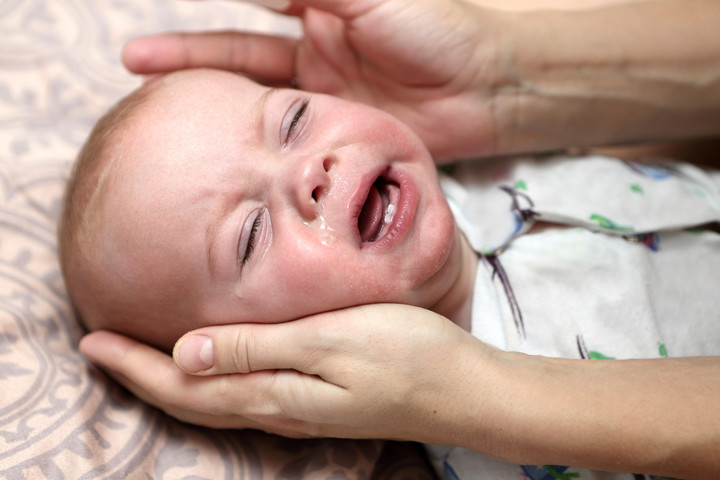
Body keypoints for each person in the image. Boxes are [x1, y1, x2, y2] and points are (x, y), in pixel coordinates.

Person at [74, 0, 720, 478]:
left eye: (294, 119)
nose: (310, 172)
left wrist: (508, 78)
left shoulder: (488, 157)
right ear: (262, 360)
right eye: (251, 234)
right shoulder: (497, 444)